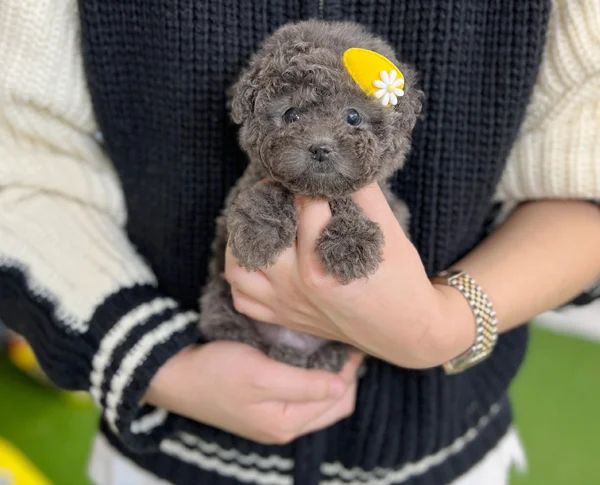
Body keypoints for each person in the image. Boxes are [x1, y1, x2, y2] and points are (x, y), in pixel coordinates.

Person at [0, 1, 598, 484]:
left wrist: (441, 324)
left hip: (448, 454)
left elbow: (583, 173)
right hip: (168, 450)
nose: (320, 140)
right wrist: (159, 361)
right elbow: (20, 153)